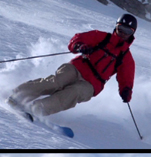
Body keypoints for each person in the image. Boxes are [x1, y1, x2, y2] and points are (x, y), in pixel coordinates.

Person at [7, 14, 137, 117]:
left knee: (72, 93)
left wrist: (126, 91)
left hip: (92, 84)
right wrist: (80, 46)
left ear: (132, 34)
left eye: (128, 31)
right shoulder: (101, 37)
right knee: (56, 82)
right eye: (121, 28)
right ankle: (18, 95)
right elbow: (78, 39)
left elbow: (127, 78)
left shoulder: (126, 57)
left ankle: (36, 109)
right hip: (77, 68)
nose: (123, 33)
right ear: (116, 27)